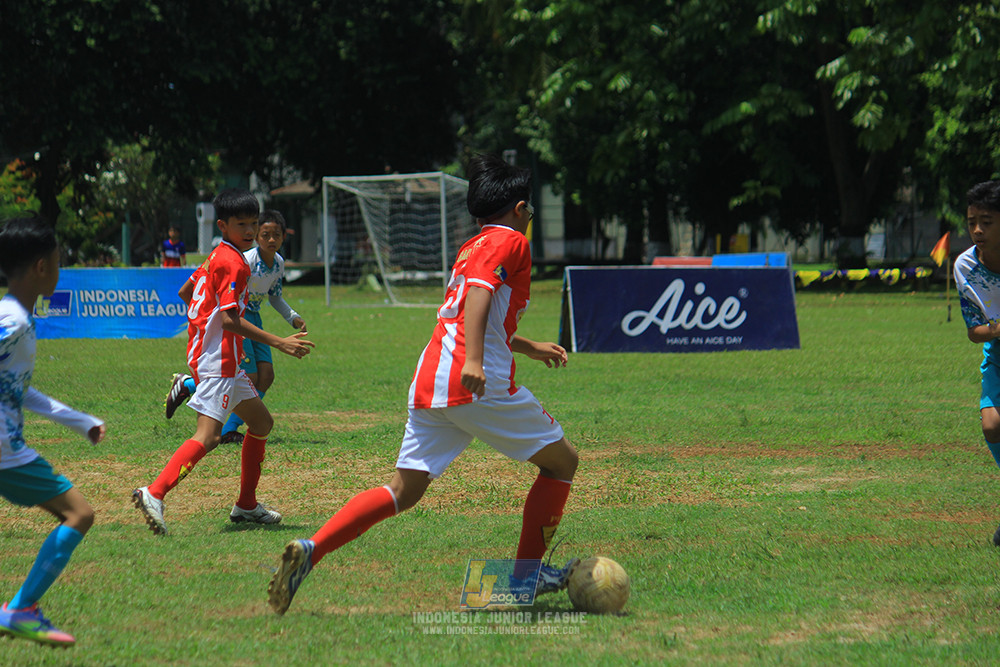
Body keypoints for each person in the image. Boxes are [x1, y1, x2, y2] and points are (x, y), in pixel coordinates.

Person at [267, 154, 579, 615]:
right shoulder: (510, 240)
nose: (529, 218)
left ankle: (313, 548)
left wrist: (528, 347)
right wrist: (476, 361)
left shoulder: (472, 246)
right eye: (529, 210)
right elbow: (479, 296)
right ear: (518, 209)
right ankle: (523, 580)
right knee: (562, 462)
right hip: (474, 381)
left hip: (432, 377)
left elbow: (472, 312)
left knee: (403, 490)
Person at [132, 189, 314, 536]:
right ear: (222, 226)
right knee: (209, 436)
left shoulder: (216, 256)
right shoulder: (234, 262)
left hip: (219, 355)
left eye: (253, 223)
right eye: (241, 224)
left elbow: (187, 294)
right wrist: (279, 342)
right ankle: (153, 492)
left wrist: (204, 327)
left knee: (261, 423)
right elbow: (230, 320)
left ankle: (246, 504)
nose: (249, 230)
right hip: (219, 358)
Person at [0, 215, 106, 647]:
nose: (60, 270)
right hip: (4, 450)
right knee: (79, 513)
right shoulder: (13, 322)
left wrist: (80, 421)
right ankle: (21, 609)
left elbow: (17, 390)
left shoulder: (15, 317)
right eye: (59, 262)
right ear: (42, 266)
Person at [956, 179, 1000, 545]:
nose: (977, 230)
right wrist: (998, 329)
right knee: (991, 425)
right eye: (972, 222)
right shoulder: (965, 266)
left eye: (986, 221)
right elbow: (974, 331)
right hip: (998, 352)